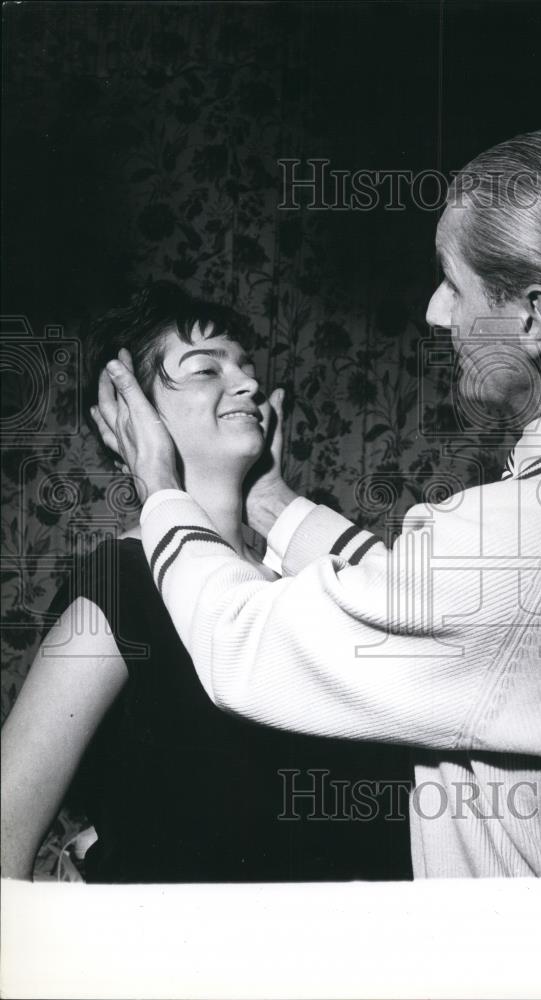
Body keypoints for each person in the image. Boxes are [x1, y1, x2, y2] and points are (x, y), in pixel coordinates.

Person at [93, 128, 541, 877]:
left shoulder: (525, 541)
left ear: (534, 318)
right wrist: (273, 502)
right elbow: (449, 615)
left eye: (454, 284)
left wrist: (160, 488)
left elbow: (246, 645)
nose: (437, 314)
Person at [1, 282, 412, 882]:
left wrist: (272, 498)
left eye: (246, 367)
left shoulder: (308, 579)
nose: (247, 383)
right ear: (130, 415)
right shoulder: (118, 587)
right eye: (204, 370)